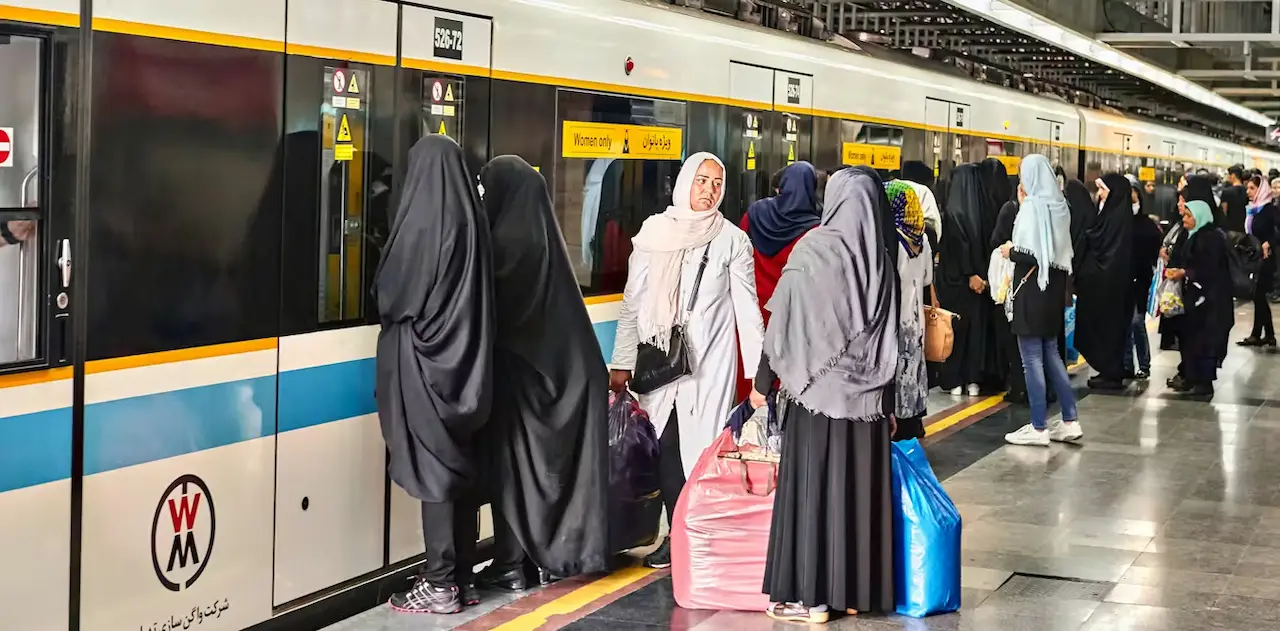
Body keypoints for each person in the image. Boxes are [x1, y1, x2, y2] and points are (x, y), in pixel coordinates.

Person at [608, 152, 766, 570]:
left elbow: (747, 311)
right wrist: (621, 363)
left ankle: (688, 534)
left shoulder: (732, 240)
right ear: (683, 183)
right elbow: (633, 301)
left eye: (717, 183)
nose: (709, 190)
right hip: (658, 362)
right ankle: (678, 531)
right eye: (701, 180)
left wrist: (760, 378)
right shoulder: (654, 232)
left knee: (696, 450)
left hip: (708, 365)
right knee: (660, 447)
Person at [758, 167, 897, 623]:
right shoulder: (881, 257)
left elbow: (782, 323)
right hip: (868, 405)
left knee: (814, 490)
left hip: (814, 399)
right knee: (857, 495)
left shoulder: (813, 248)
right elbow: (893, 339)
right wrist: (889, 405)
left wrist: (764, 386)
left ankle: (812, 599)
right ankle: (856, 593)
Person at [472, 156, 609, 593]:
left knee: (511, 472)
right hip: (561, 377)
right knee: (534, 477)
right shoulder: (544, 238)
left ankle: (512, 561)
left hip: (526, 379)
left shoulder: (505, 242)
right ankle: (535, 559)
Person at [376, 135, 493, 615]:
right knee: (459, 473)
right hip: (468, 369)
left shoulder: (426, 220)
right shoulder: (474, 221)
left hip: (427, 368)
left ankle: (439, 583)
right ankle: (462, 577)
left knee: (435, 474)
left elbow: (394, 295)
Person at [997, 155, 1083, 446]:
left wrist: (1010, 251)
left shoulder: (1033, 207)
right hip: (1053, 290)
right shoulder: (1060, 206)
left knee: (1031, 358)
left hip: (1032, 290)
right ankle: (1070, 420)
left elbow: (1031, 253)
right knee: (1051, 353)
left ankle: (1037, 426)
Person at [935, 164, 997, 396]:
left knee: (955, 330)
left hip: (955, 283)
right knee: (976, 330)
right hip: (980, 284)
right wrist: (980, 276)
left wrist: (968, 273)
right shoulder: (987, 209)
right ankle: (973, 380)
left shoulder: (951, 211)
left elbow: (955, 249)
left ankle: (954, 380)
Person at [741, 162, 821, 324]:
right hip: (790, 310)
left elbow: (738, 248)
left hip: (752, 301)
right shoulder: (816, 228)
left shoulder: (756, 212)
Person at [1167, 200, 1232, 396]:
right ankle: (1195, 378)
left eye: (1188, 215)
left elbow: (1209, 268)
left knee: (1205, 341)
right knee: (1194, 338)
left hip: (1211, 300)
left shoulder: (1211, 238)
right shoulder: (1195, 236)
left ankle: (1204, 382)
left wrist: (1185, 273)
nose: (1184, 219)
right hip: (1200, 298)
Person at [1074, 174, 1133, 390]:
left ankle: (1111, 372)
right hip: (1104, 287)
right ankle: (1108, 370)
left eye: (1103, 190)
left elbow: (1109, 252)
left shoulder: (1118, 221)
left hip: (1111, 289)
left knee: (1109, 329)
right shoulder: (1111, 218)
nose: (1099, 195)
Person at [886, 180, 932, 441]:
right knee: (912, 372)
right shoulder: (922, 238)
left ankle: (895, 426)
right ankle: (912, 425)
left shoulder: (891, 237)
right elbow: (926, 278)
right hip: (916, 322)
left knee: (895, 373)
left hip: (896, 317)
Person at [988, 167, 1027, 402]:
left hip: (1012, 284)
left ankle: (1019, 386)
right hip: (1027, 286)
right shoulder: (1041, 212)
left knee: (1013, 337)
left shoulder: (1010, 209)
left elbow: (996, 241)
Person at [1125, 175, 1164, 380]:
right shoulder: (1118, 221)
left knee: (1136, 321)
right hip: (1122, 279)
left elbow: (1153, 248)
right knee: (1124, 322)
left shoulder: (1147, 224)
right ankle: (1126, 365)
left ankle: (1144, 364)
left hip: (1140, 278)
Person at [1240, 176, 1280, 347]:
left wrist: (1268, 242)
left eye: (1252, 188)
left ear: (1261, 189)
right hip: (1255, 257)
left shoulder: (1270, 210)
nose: (1248, 192)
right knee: (1259, 296)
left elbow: (1278, 231)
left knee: (1259, 294)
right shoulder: (1253, 209)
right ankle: (1267, 335)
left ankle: (1260, 334)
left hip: (1266, 258)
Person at [1221, 164, 1249, 233]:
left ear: (1233, 175)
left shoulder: (1226, 191)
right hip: (1244, 227)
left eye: (1228, 175)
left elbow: (1224, 211)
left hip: (1231, 227)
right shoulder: (1247, 191)